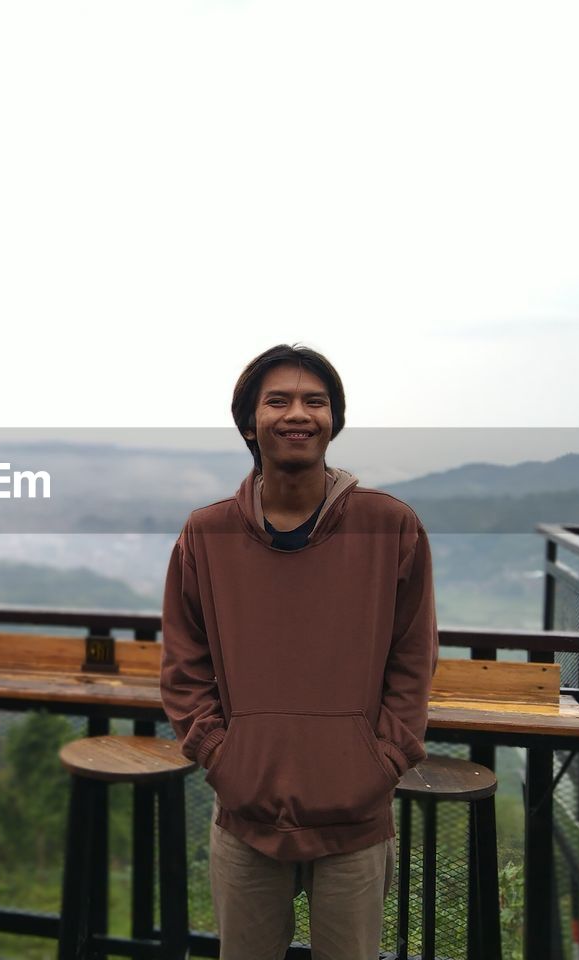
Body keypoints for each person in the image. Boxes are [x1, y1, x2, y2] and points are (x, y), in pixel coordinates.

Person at [160, 343, 439, 960]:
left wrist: (383, 758)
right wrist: (221, 756)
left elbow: (413, 658)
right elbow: (184, 665)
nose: (298, 414)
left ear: (334, 421)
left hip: (356, 817)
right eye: (278, 400)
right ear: (249, 422)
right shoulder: (206, 534)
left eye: (316, 401)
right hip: (246, 814)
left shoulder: (389, 525)